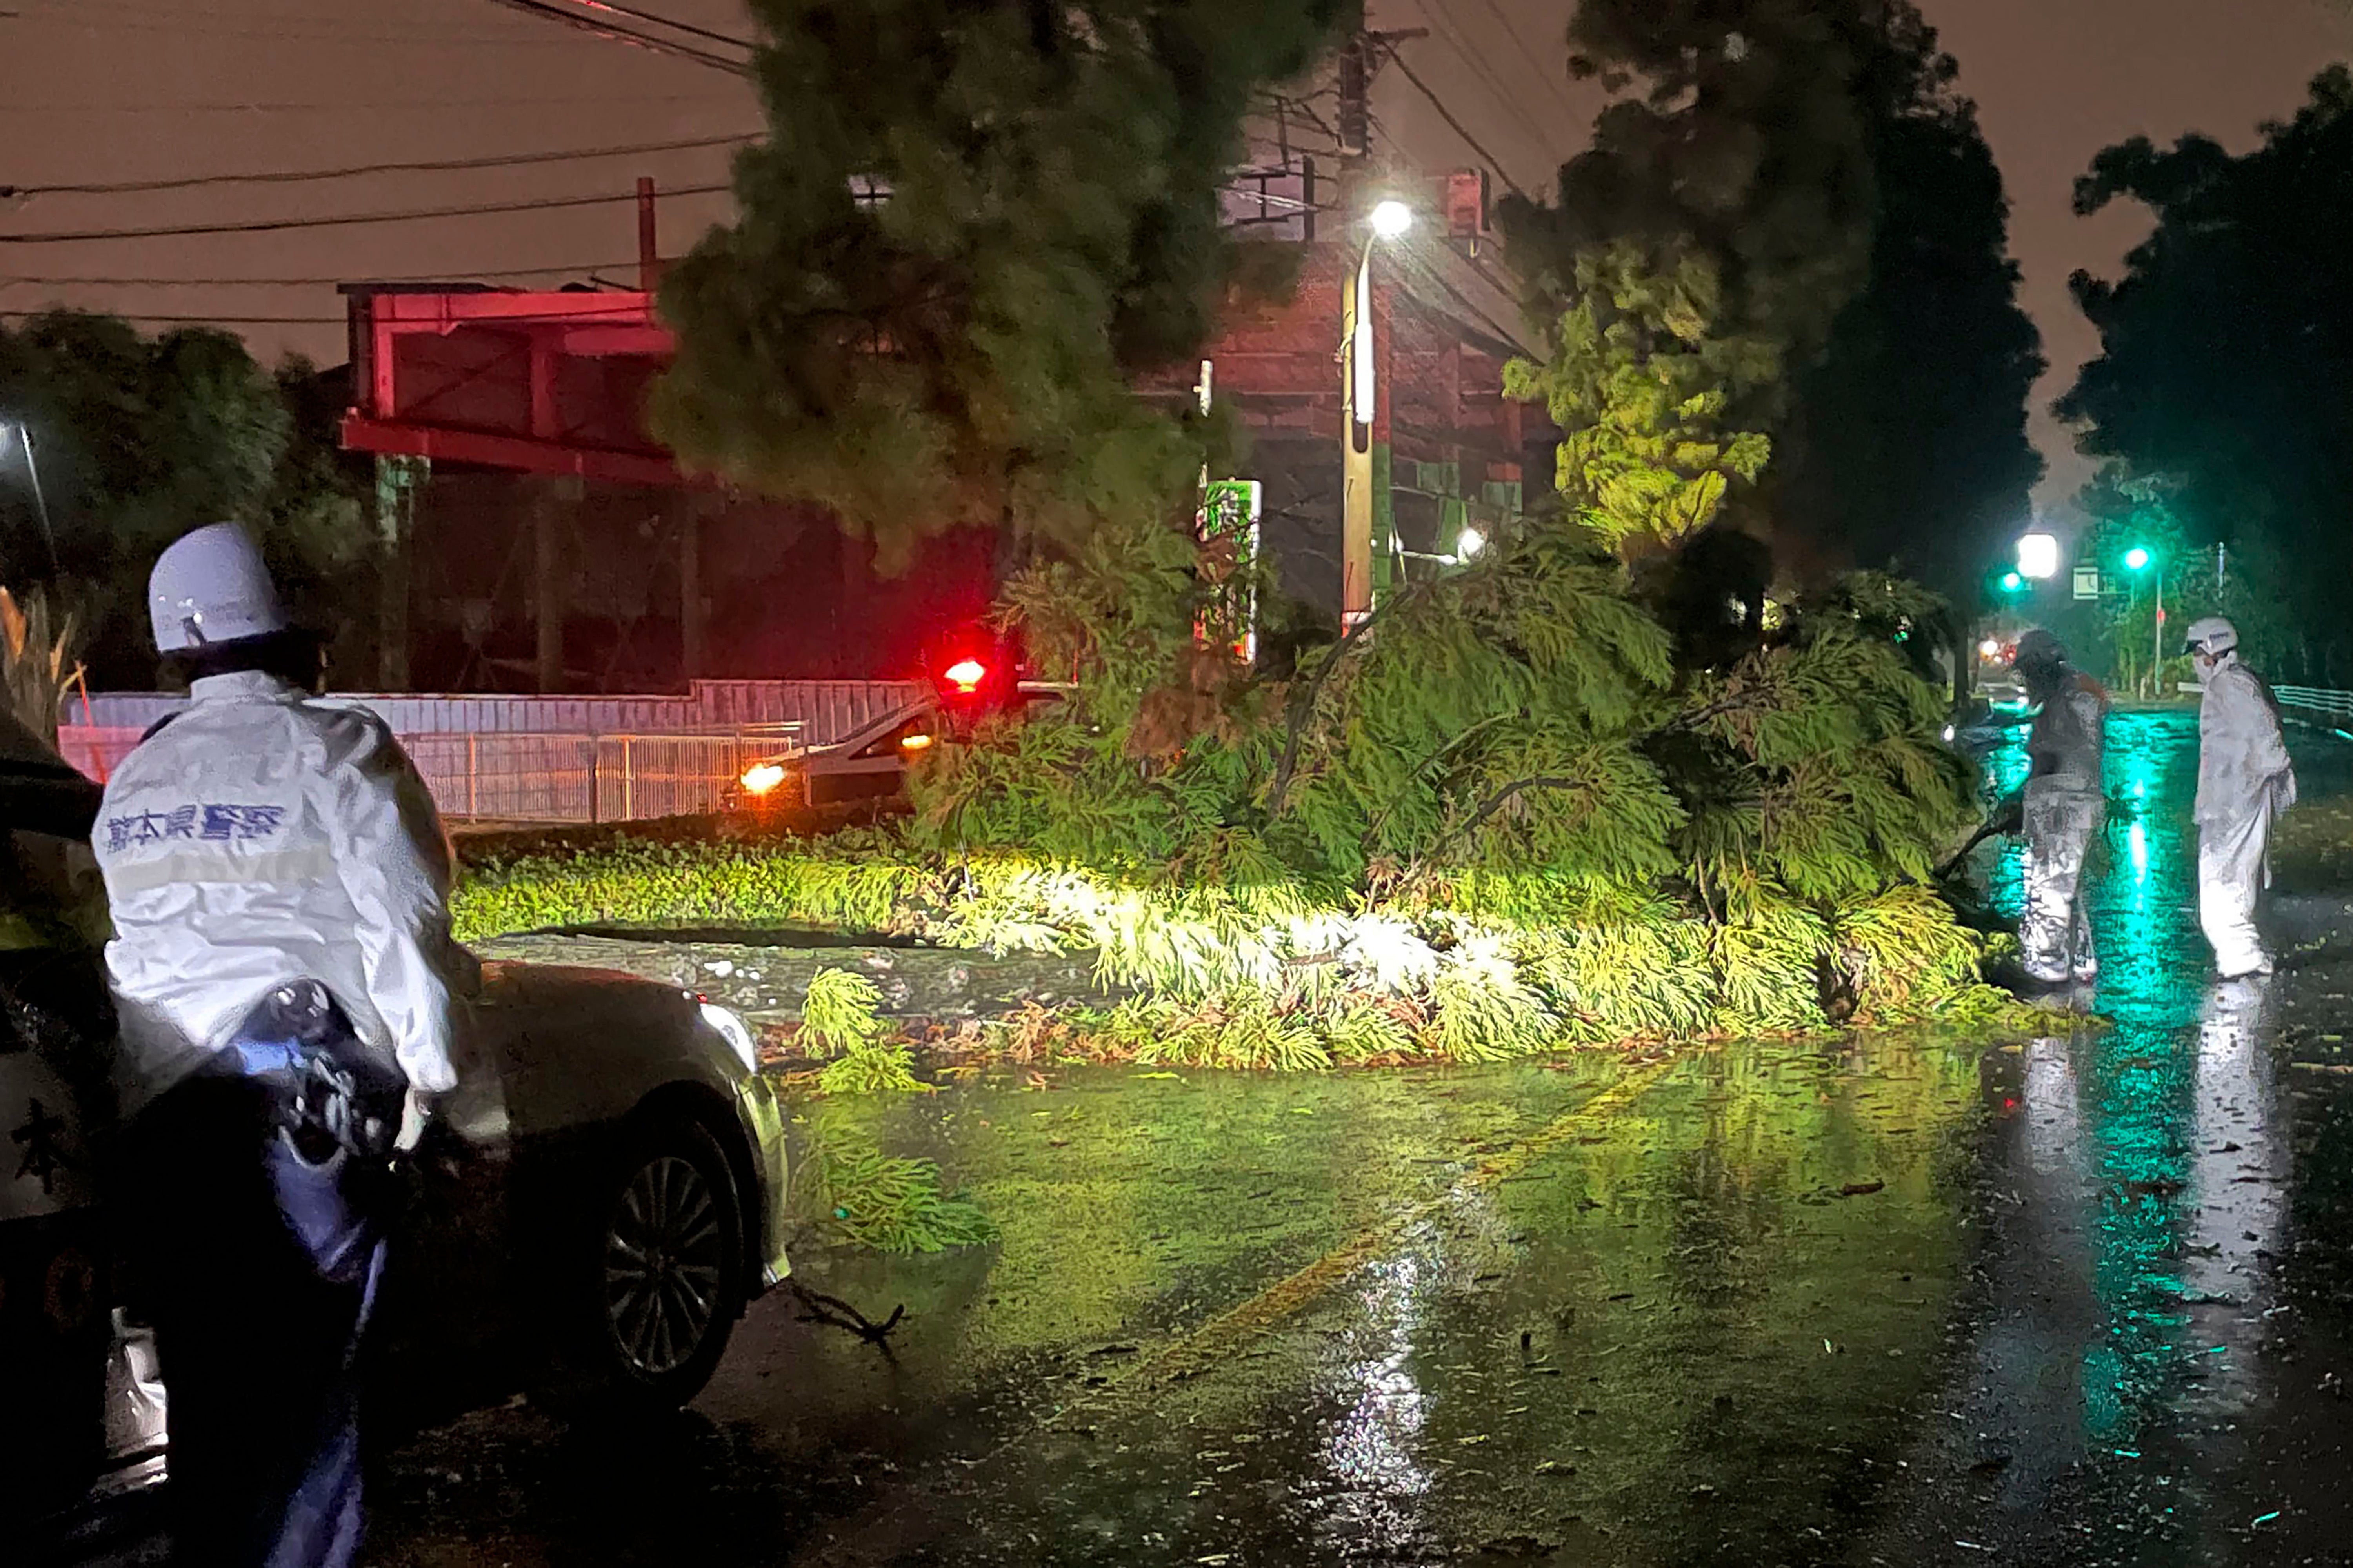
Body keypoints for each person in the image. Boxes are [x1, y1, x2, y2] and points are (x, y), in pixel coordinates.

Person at [93, 523, 473, 1567]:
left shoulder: (137, 776)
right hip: (304, 1111)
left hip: (171, 1121)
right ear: (298, 634)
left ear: (178, 648)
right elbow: (407, 926)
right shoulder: (340, 747)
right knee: (311, 1414)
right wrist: (433, 1085)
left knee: (213, 1411)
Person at [2186, 616, 2295, 978]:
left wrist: (2277, 777)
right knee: (2226, 876)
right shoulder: (2228, 683)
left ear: (2213, 650)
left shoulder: (2231, 684)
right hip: (2229, 799)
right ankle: (2242, 952)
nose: (2195, 661)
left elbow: (2264, 734)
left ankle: (2241, 954)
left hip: (2237, 800)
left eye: (2198, 652)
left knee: (2224, 878)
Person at [2010, 630, 2108, 986]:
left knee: (2050, 883)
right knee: (2071, 882)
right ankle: (2081, 956)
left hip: (2061, 805)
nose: (2026, 681)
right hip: (2078, 800)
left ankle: (2046, 963)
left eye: (2028, 672)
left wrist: (2019, 795)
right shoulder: (2076, 692)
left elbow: (2052, 756)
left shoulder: (2066, 700)